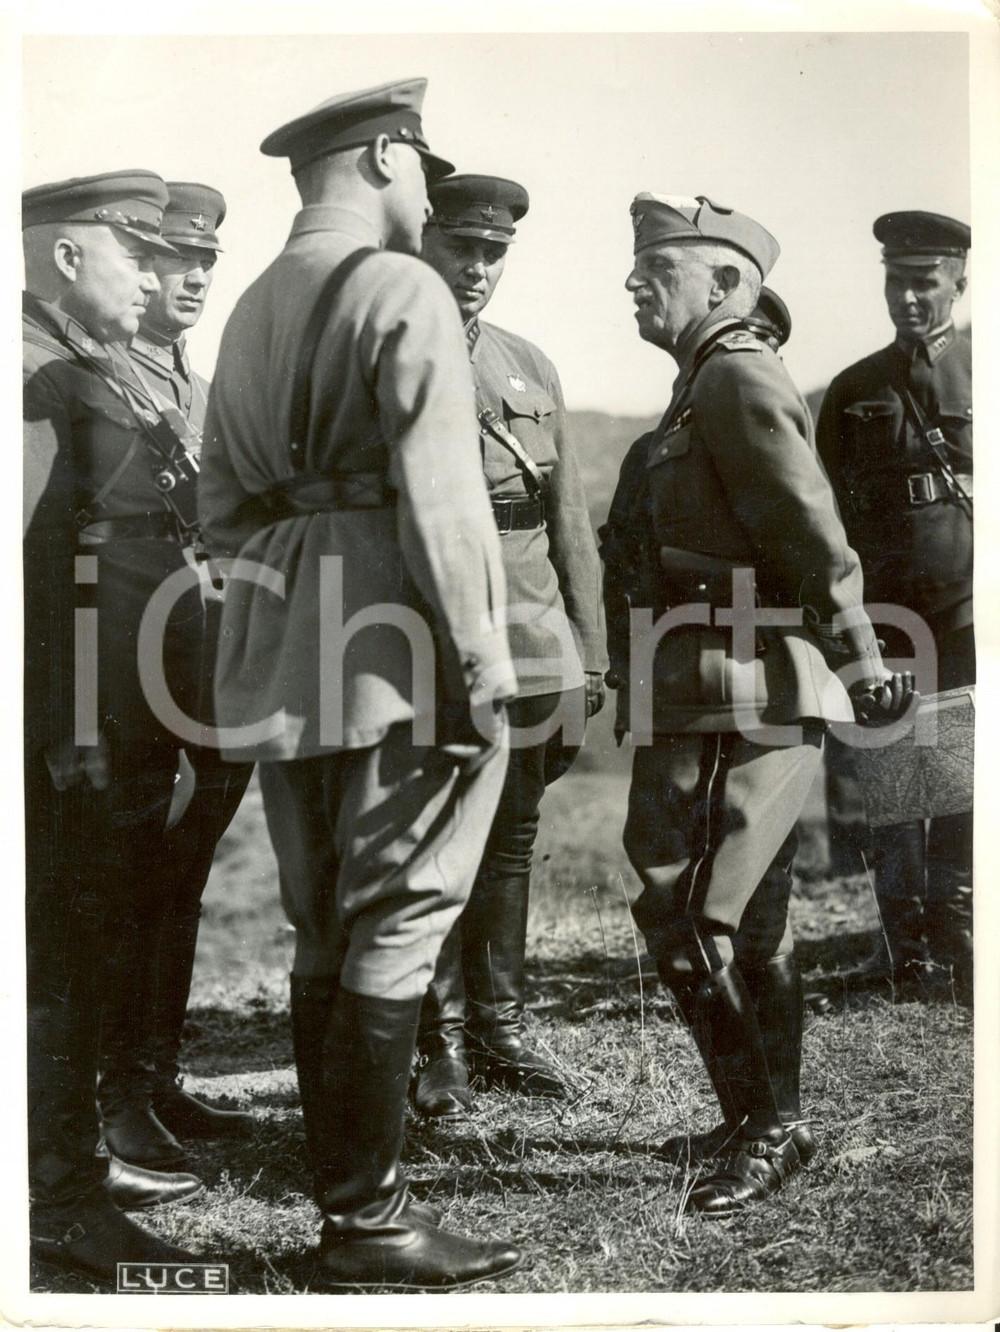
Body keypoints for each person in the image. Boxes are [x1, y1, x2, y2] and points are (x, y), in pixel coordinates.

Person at [197, 78, 523, 1289]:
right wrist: (484, 659)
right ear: (386, 154)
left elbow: (222, 515)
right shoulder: (405, 288)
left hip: (285, 653)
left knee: (323, 918)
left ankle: (344, 1196)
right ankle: (367, 1223)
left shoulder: (243, 310)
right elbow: (442, 499)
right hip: (402, 653)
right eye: (422, 165)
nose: (429, 188)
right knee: (405, 912)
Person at [602, 193, 913, 1214]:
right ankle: (759, 1120)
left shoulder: (734, 376)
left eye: (660, 269)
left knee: (689, 907)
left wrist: (861, 654)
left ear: (726, 281)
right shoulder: (697, 385)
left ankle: (768, 1125)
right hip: (703, 684)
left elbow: (810, 532)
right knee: (747, 916)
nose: (635, 284)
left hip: (741, 688)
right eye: (637, 268)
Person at [23, 169, 204, 1280]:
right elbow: (32, 572)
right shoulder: (33, 378)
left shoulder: (81, 369)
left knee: (85, 949)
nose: (155, 271)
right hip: (74, 728)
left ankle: (68, 1161)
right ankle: (57, 1197)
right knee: (60, 957)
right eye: (133, 250)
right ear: (65, 258)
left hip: (116, 713)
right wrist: (70, 727)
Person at [412, 174, 607, 1117]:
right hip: (430, 643)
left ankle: (501, 1028)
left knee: (513, 842)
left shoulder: (528, 364)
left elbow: (568, 520)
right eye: (463, 249)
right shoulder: (389, 355)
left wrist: (592, 653)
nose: (479, 268)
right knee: (439, 841)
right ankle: (438, 1042)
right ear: (424, 241)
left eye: (494, 254)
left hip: (533, 638)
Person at [94, 183, 255, 1173]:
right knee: (128, 882)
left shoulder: (188, 385)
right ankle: (116, 1098)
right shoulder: (97, 382)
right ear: (131, 267)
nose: (191, 277)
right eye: (169, 260)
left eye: (204, 263)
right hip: (131, 672)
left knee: (181, 878)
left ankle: (154, 1081)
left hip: (207, 665)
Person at [817, 212, 973, 999]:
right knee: (891, 775)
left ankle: (963, 941)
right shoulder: (853, 389)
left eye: (924, 281)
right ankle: (903, 951)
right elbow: (825, 516)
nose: (908, 297)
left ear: (958, 283)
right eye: (896, 281)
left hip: (971, 611)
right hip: (885, 616)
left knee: (962, 770)